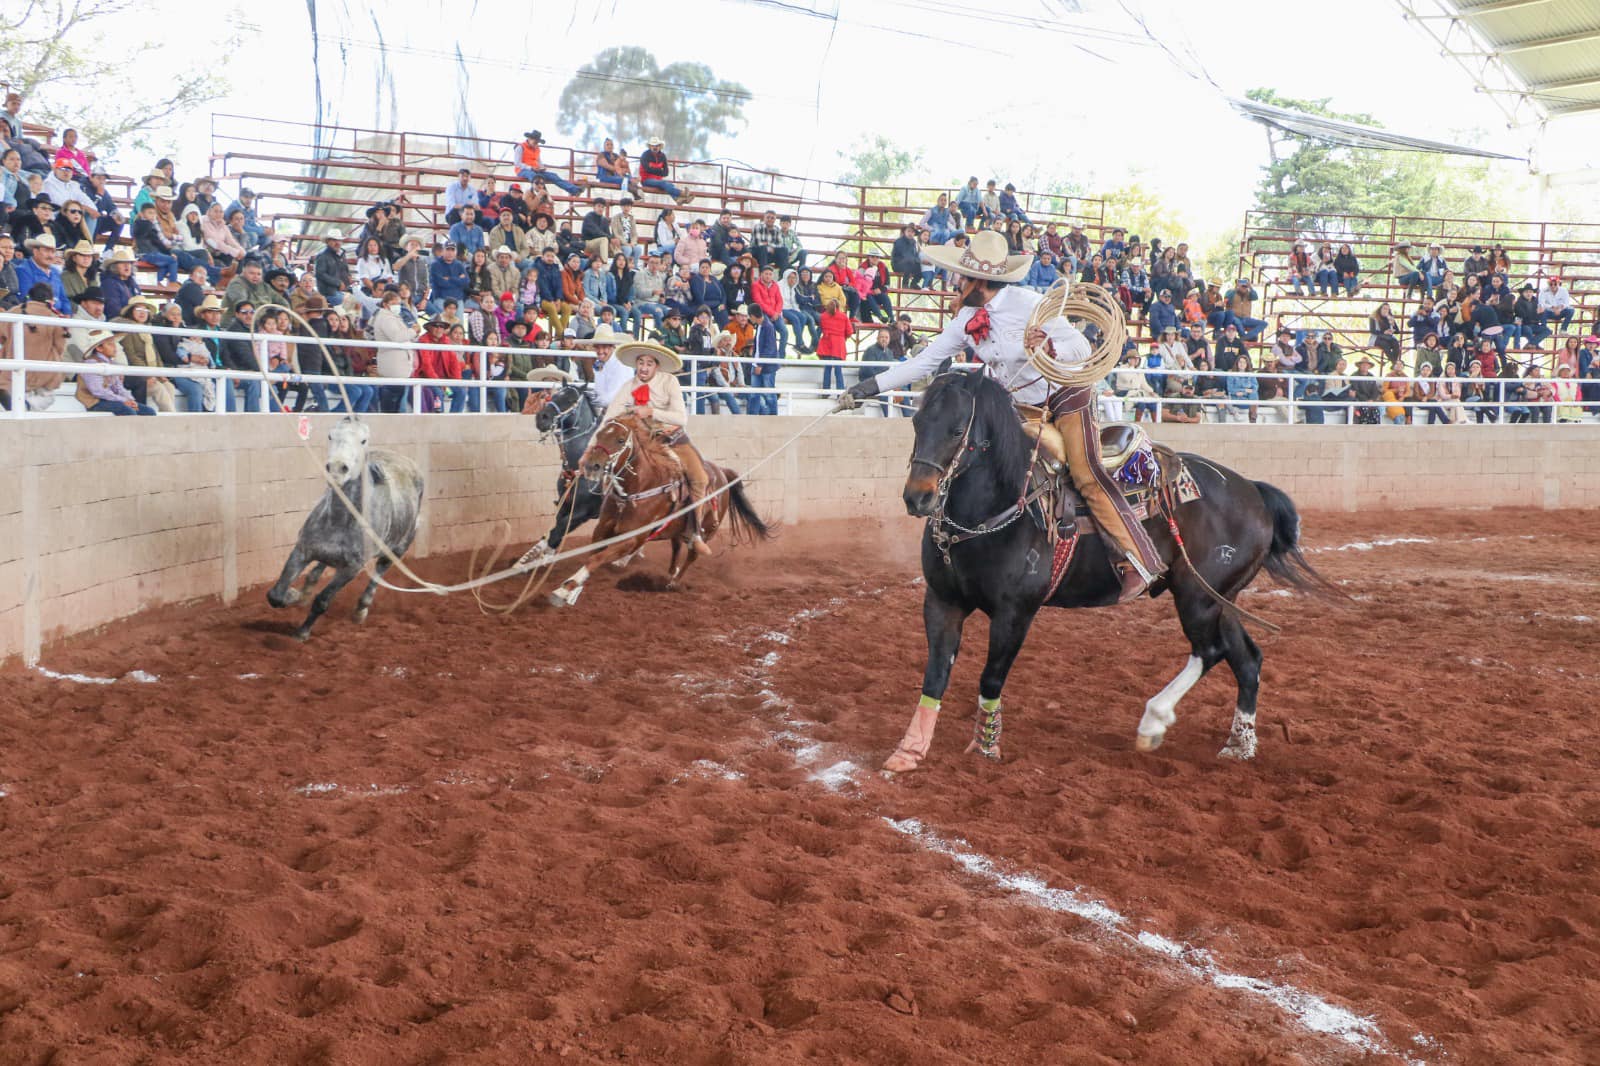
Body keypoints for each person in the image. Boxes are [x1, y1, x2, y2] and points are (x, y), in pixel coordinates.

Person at [839, 229, 1164, 601]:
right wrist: (868, 388)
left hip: (1065, 397)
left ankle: (1136, 558)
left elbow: (1081, 345)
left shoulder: (1030, 304)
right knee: (979, 456)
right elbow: (925, 362)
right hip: (1019, 405)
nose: (956, 283)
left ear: (981, 281)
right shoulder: (966, 319)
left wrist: (1050, 344)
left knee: (1086, 473)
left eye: (962, 277)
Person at [599, 339, 715, 551]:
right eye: (641, 362)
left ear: (657, 366)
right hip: (643, 442)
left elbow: (681, 418)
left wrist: (651, 412)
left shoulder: (669, 382)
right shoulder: (629, 386)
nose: (643, 367)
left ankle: (694, 531)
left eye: (649, 363)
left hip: (673, 440)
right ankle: (619, 520)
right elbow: (610, 415)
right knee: (615, 470)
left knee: (700, 478)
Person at [0, 283, 67, 409]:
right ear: (51, 299)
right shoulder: (55, 317)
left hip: (12, 368)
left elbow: (2, 336)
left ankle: (18, 406)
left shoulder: (13, 312)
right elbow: (60, 347)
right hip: (43, 371)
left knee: (7, 387)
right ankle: (26, 407)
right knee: (47, 397)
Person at [77, 329, 156, 415]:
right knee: (128, 411)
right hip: (96, 402)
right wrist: (123, 400)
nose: (114, 347)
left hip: (112, 400)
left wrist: (130, 400)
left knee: (149, 412)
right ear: (99, 348)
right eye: (110, 344)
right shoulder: (91, 363)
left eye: (114, 344)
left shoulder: (112, 363)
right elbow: (99, 391)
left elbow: (119, 387)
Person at [17, 232, 71, 313]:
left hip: (58, 318)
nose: (50, 255)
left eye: (52, 252)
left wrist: (67, 314)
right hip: (37, 317)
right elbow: (26, 299)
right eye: (46, 251)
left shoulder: (55, 272)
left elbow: (64, 298)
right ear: (35, 251)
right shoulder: (24, 270)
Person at [638, 137, 692, 203]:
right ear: (650, 146)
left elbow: (666, 172)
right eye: (653, 145)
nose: (655, 147)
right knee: (664, 183)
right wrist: (659, 170)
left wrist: (654, 170)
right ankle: (682, 194)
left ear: (660, 146)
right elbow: (647, 169)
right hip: (646, 180)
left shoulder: (663, 156)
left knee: (669, 185)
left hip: (658, 181)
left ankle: (677, 199)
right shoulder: (645, 155)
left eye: (657, 145)